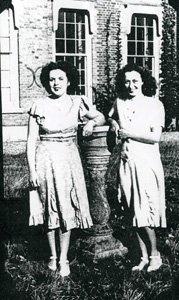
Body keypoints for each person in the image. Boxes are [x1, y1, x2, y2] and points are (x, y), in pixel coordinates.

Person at [26, 60, 105, 277]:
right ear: (46, 82)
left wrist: (90, 123)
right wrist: (32, 170)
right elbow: (31, 140)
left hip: (69, 159)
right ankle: (52, 256)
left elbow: (100, 116)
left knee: (66, 206)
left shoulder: (78, 102)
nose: (56, 83)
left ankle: (64, 258)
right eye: (51, 79)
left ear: (69, 80)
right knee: (49, 206)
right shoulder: (39, 105)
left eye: (60, 78)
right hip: (46, 160)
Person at [108, 64, 166, 272]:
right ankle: (142, 257)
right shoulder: (120, 102)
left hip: (146, 162)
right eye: (127, 81)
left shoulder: (154, 105)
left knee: (145, 210)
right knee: (132, 210)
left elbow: (155, 137)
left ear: (143, 81)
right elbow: (112, 115)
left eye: (135, 81)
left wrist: (128, 133)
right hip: (127, 162)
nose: (131, 85)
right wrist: (114, 124)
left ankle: (155, 255)